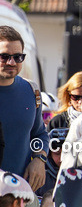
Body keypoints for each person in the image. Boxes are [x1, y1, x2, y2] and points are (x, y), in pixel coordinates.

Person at [0, 26, 48, 192]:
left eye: (18, 57)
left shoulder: (31, 90)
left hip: (19, 196)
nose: (11, 62)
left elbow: (39, 133)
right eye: (4, 57)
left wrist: (39, 158)